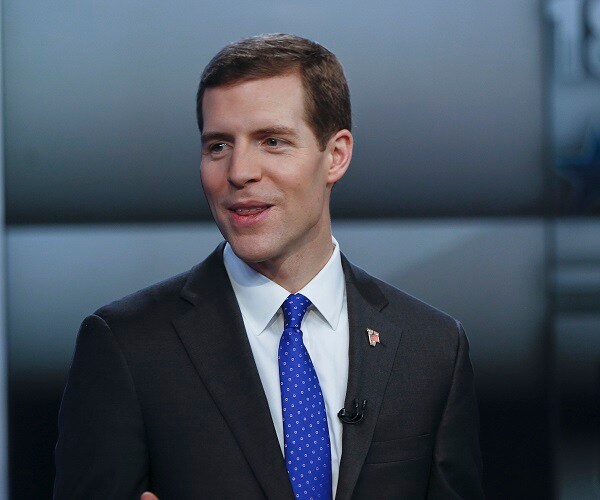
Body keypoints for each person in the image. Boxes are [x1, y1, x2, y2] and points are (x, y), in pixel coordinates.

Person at [54, 33, 484, 499]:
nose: (239, 171)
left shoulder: (431, 349)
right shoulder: (128, 346)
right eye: (218, 146)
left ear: (336, 156)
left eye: (272, 141)